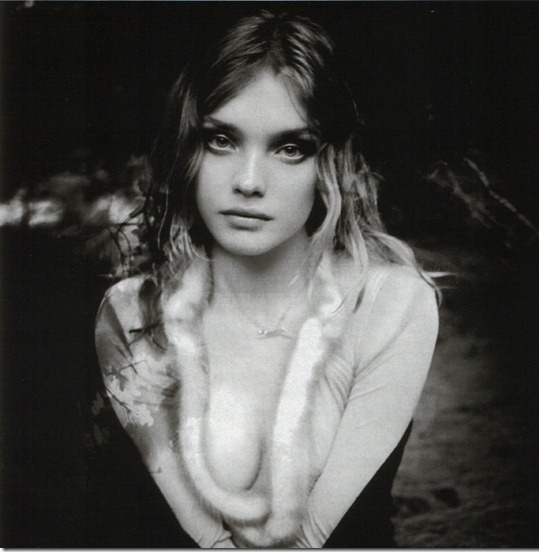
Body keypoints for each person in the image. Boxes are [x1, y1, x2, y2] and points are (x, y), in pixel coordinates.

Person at [94, 10, 439, 548]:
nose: (249, 182)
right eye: (221, 140)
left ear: (330, 164)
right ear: (187, 150)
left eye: (290, 148)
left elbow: (310, 538)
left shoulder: (388, 302)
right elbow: (207, 538)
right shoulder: (133, 314)